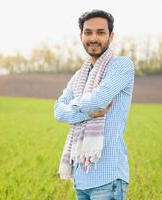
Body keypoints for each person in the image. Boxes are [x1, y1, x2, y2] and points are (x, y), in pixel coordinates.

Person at [54, 9, 135, 200]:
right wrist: (88, 114)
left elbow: (98, 101)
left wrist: (73, 107)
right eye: (88, 32)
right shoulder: (79, 76)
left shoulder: (121, 66)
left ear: (111, 36)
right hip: (81, 179)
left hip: (107, 179)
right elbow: (58, 110)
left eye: (101, 32)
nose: (94, 38)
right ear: (81, 36)